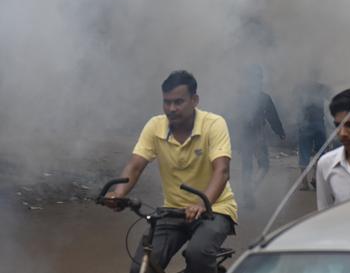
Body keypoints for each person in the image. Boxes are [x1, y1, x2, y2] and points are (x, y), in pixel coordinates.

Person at [105, 70, 237, 273]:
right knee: (142, 266)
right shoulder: (155, 126)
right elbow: (135, 165)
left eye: (178, 102)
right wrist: (119, 193)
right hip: (172, 211)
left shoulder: (214, 124)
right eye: (167, 102)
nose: (171, 108)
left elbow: (222, 171)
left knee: (198, 255)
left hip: (215, 209)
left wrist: (201, 203)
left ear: (194, 100)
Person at [234, 65, 285, 208]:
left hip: (244, 136)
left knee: (247, 167)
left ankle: (247, 193)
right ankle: (251, 189)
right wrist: (280, 132)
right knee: (264, 165)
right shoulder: (264, 97)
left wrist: (233, 137)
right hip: (257, 136)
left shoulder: (240, 96)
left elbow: (232, 117)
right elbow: (272, 117)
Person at [296, 81, 331, 191]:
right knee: (319, 153)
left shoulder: (302, 86)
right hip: (314, 123)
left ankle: (307, 182)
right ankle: (314, 179)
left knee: (307, 154)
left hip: (308, 123)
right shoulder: (321, 86)